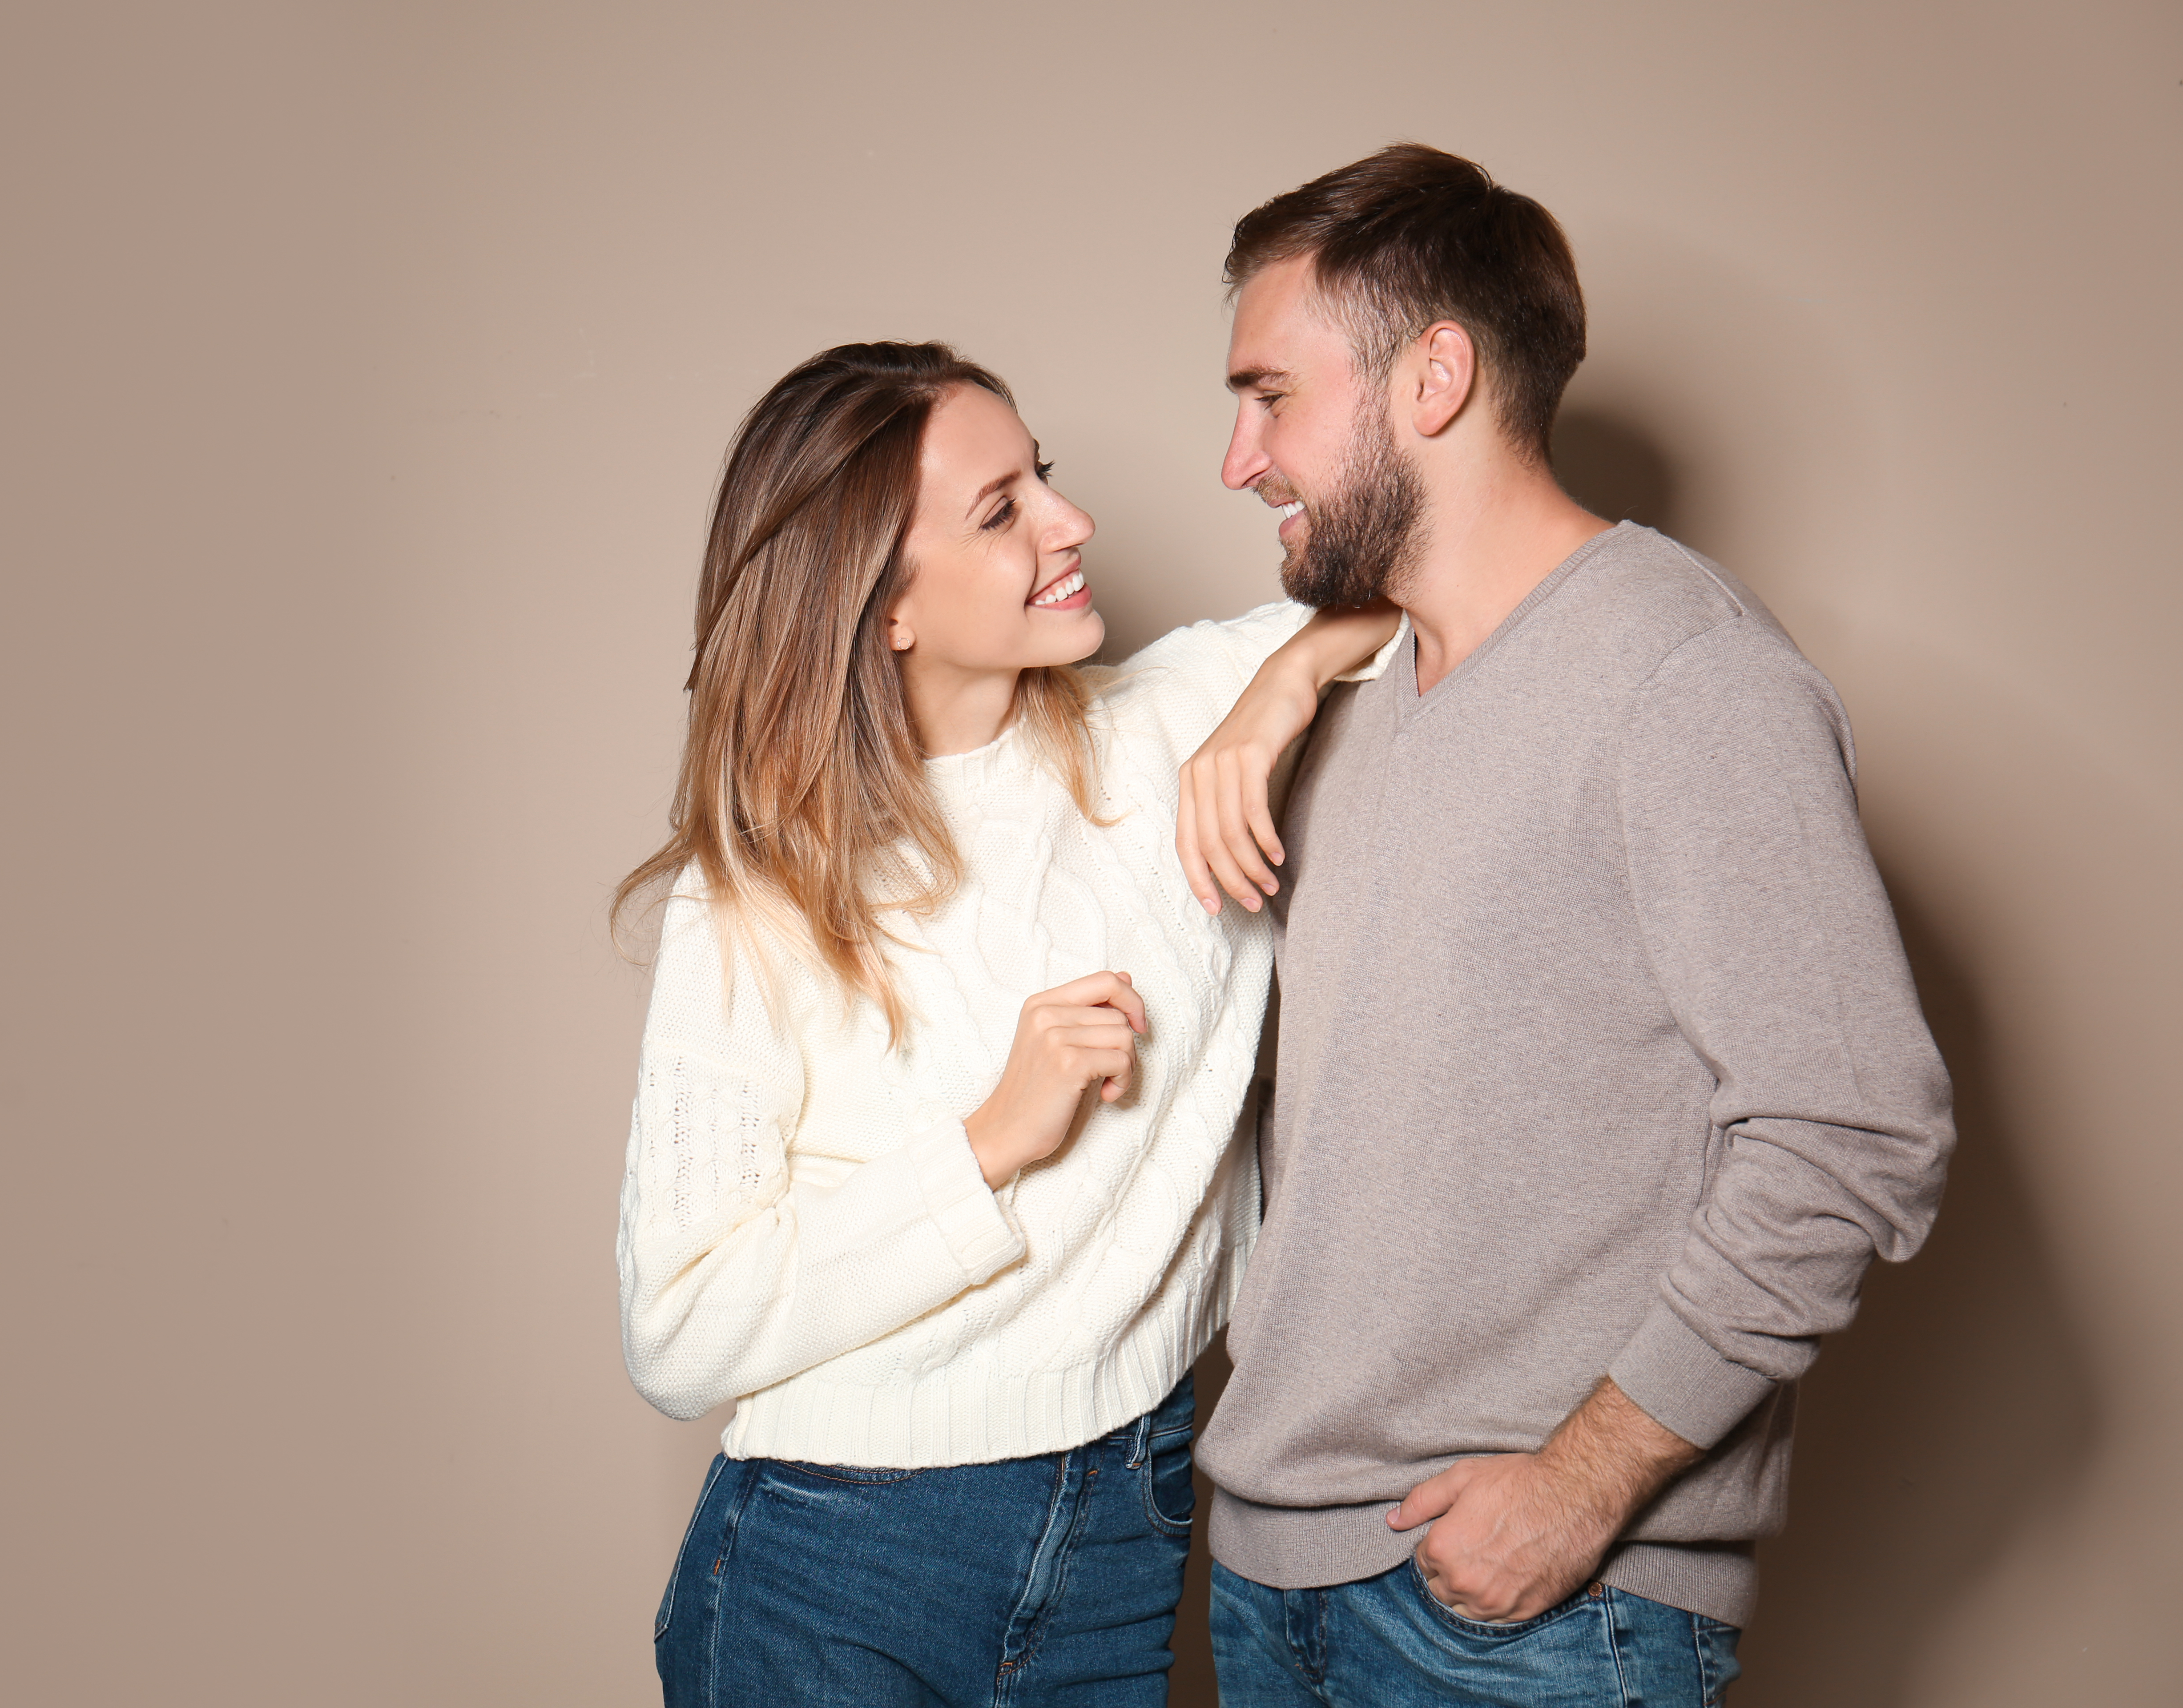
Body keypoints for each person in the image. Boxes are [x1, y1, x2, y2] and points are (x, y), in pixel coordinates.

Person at [1169, 144, 1956, 1706]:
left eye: (1271, 396)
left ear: (1434, 377)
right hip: (1271, 1583)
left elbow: (1854, 1129)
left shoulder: (1688, 679)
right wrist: (1291, 679)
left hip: (1524, 1616)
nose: (1237, 458)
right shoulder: (1352, 702)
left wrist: (1589, 1484)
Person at [614, 341, 1403, 1705]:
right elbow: (676, 1331)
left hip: (1122, 1531)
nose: (1069, 521)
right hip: (836, 1565)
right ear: (887, 605)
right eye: (1001, 511)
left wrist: (1282, 687)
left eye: (1045, 476)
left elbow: (1448, 591)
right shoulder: (758, 897)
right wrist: (983, 1142)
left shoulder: (1177, 725)